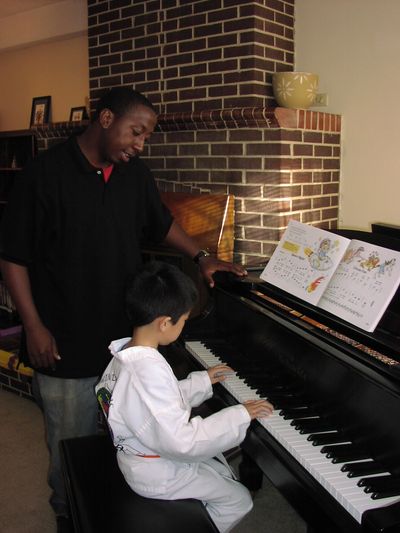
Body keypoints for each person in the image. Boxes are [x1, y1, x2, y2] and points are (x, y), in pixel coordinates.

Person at [0, 87, 247, 529]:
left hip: (126, 340)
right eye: (137, 132)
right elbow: (13, 257)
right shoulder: (44, 174)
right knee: (69, 439)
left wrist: (201, 256)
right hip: (63, 340)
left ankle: (114, 502)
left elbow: (163, 222)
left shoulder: (135, 174)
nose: (140, 144)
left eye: (146, 136)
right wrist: (32, 326)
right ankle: (67, 513)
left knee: (131, 433)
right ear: (107, 118)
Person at [96, 261, 273, 533]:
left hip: (142, 456)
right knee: (238, 500)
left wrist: (203, 380)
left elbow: (155, 404)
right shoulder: (147, 370)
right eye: (183, 321)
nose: (183, 327)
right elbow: (182, 442)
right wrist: (239, 414)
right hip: (158, 472)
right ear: (165, 323)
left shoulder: (125, 356)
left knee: (220, 471)